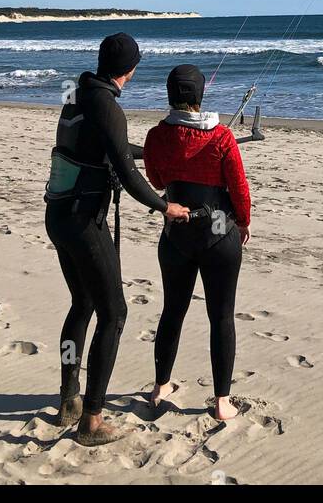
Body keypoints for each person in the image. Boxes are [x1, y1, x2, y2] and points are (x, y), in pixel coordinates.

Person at [44, 32, 190, 446]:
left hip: (58, 214)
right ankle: (92, 420)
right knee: (115, 313)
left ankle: (69, 399)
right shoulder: (107, 105)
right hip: (83, 220)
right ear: (131, 69)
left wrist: (148, 152)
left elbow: (109, 147)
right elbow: (126, 176)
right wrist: (165, 207)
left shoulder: (78, 95)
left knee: (82, 303)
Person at [143, 64, 251, 422]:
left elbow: (157, 181)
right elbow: (238, 188)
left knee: (173, 310)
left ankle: (161, 387)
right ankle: (222, 402)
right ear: (200, 96)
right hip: (219, 234)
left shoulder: (157, 135)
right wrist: (244, 222)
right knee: (221, 317)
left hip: (176, 236)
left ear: (171, 94)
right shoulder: (221, 136)